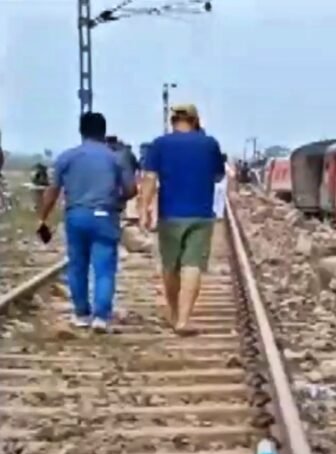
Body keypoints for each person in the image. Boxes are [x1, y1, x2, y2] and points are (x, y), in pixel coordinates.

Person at [38, 112, 134, 332]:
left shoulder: (67, 157)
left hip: (76, 215)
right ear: (103, 131)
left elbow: (52, 191)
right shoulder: (116, 158)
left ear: (81, 131)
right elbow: (131, 189)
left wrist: (43, 218)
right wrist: (117, 201)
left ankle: (81, 314)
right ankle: (101, 316)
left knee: (77, 265)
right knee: (104, 268)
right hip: (104, 215)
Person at [138, 103, 225, 336]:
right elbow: (218, 175)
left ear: (172, 121)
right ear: (196, 120)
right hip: (201, 214)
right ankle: (184, 320)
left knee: (170, 266)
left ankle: (175, 312)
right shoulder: (209, 144)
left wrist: (144, 209)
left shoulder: (159, 144)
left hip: (170, 214)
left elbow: (149, 179)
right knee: (192, 265)